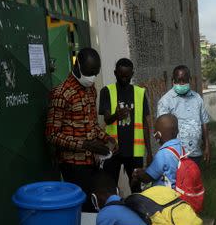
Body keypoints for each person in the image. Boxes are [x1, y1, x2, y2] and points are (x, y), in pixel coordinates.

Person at [45, 48, 114, 212]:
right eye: (89, 72)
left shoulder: (91, 90)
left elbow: (92, 125)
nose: (92, 78)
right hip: (72, 165)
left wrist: (107, 138)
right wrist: (85, 145)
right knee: (84, 208)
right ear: (77, 66)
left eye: (95, 73)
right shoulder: (61, 94)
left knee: (98, 204)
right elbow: (52, 135)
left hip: (93, 162)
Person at [99, 58, 153, 192]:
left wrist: (150, 151)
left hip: (134, 151)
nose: (124, 79)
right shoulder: (106, 91)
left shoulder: (140, 93)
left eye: (127, 76)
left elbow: (145, 123)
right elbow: (107, 119)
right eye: (121, 75)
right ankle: (113, 212)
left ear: (132, 74)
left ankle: (136, 211)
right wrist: (116, 115)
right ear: (115, 73)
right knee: (109, 187)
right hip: (113, 150)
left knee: (137, 188)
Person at [157, 65, 210, 166]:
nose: (181, 83)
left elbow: (204, 123)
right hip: (176, 156)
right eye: (178, 80)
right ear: (173, 80)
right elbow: (162, 131)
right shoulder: (165, 101)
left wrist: (207, 146)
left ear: (190, 80)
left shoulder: (197, 98)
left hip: (195, 153)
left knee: (194, 180)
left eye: (184, 80)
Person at [132, 114, 183, 189]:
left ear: (158, 135)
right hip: (178, 192)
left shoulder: (162, 154)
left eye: (155, 132)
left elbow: (148, 178)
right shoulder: (180, 148)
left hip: (164, 195)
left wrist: (138, 174)